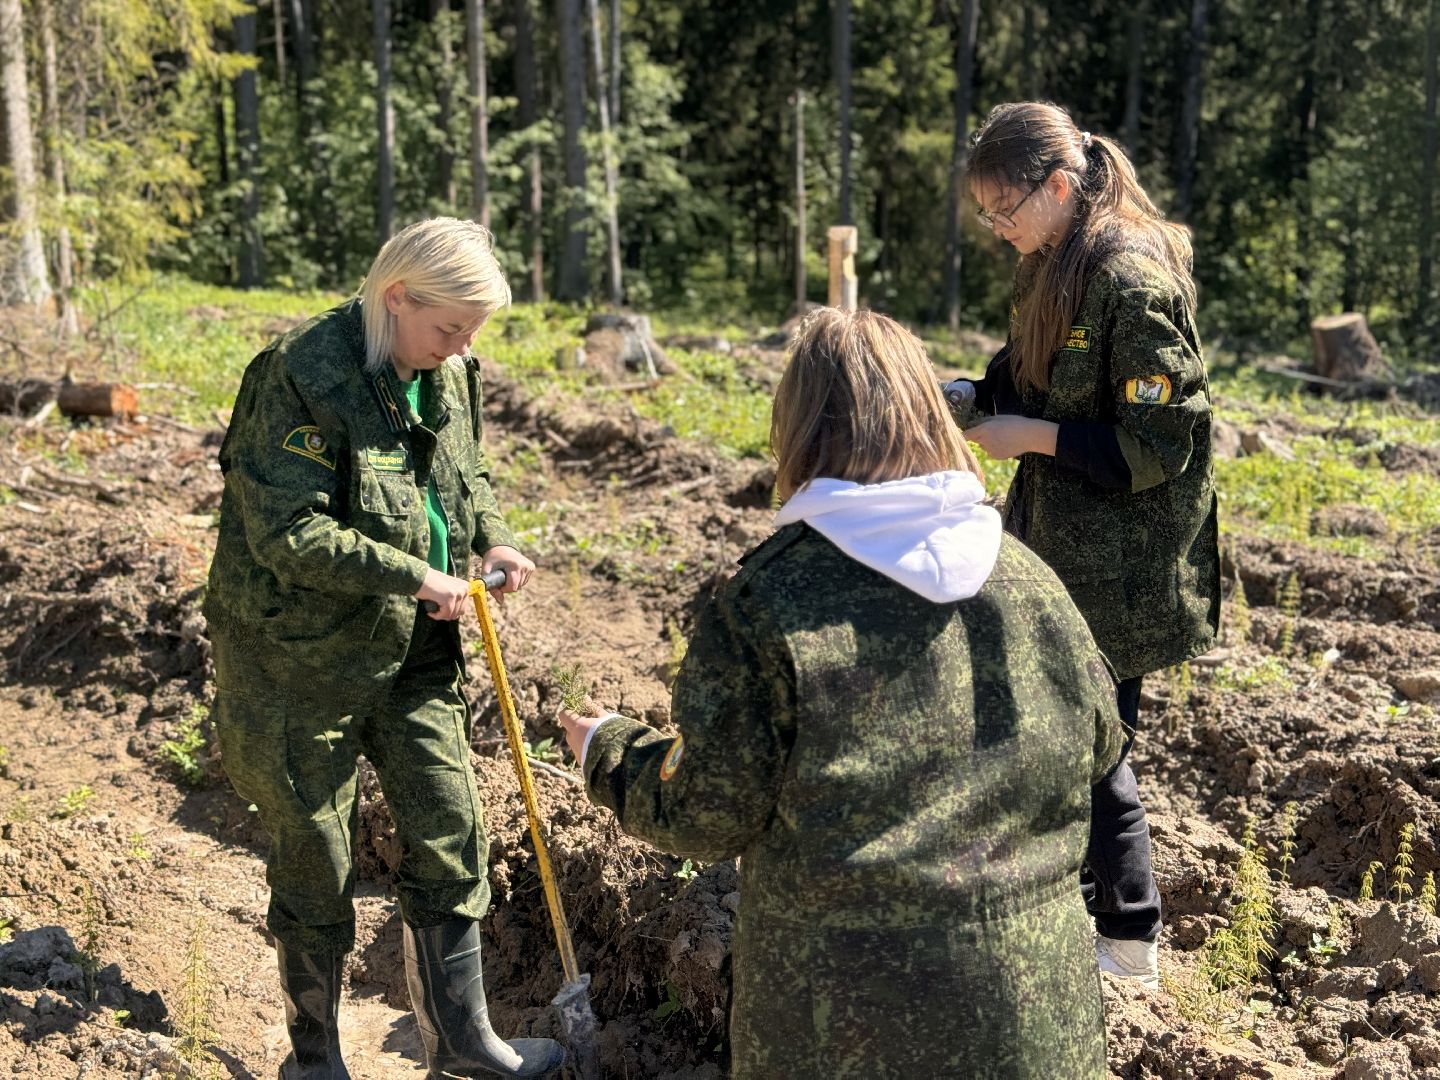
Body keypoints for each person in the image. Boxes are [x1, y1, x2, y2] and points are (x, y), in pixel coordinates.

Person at [558, 308, 1124, 1078]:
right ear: (932, 417)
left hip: (838, 1025)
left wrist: (609, 751)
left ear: (798, 430)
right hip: (1036, 1020)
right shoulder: (1033, 583)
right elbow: (1102, 749)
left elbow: (705, 813)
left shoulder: (769, 602)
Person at [203, 217, 565, 1080]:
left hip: (415, 656)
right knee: (314, 852)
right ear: (396, 296)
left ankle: (464, 1043)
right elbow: (286, 531)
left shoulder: (452, 371)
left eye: (475, 331)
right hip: (296, 658)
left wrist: (495, 543)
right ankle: (317, 1059)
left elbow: (462, 483)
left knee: (449, 828)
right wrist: (414, 575)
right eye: (450, 327)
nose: (463, 346)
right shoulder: (299, 374)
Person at [947, 101, 1221, 990]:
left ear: (1058, 187)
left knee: (1095, 743)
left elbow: (1154, 447)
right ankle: (1067, 905)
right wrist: (968, 394)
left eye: (1004, 211)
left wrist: (1027, 438)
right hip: (1057, 549)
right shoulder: (1052, 259)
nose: (997, 232)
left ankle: (1131, 942)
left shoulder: (1132, 282)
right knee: (1053, 737)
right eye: (985, 215)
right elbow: (1031, 365)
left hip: (1122, 571)